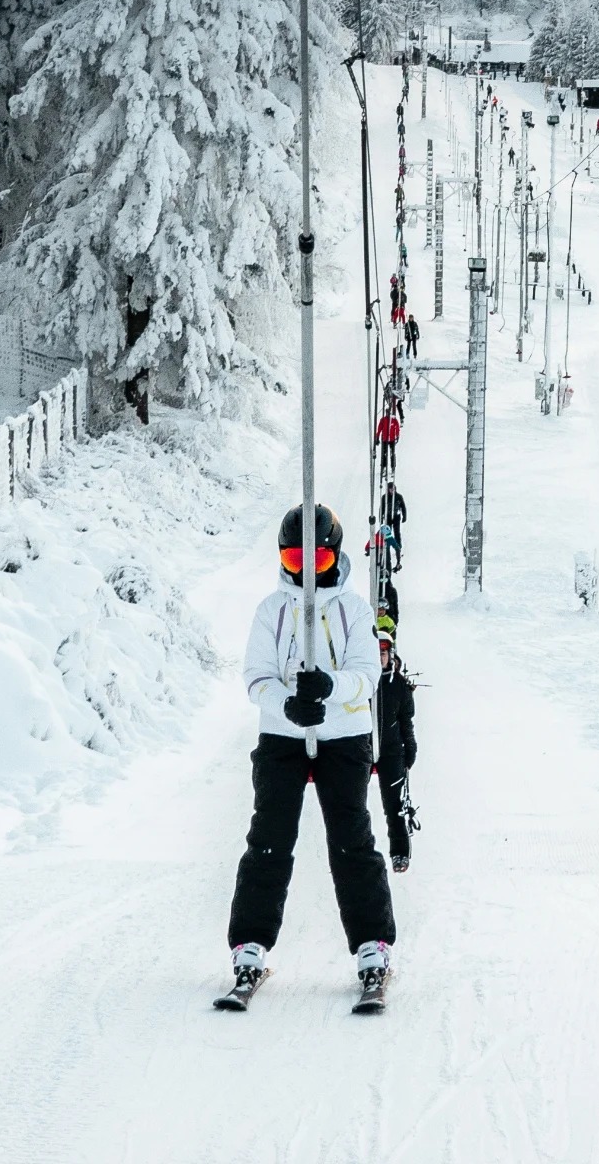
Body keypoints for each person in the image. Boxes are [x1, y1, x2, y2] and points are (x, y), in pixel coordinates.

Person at [224, 504, 394, 1004]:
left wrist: (329, 688)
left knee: (351, 840)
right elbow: (256, 678)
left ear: (334, 556)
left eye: (317, 560)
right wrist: (287, 705)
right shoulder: (271, 611)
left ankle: (372, 945)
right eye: (295, 558)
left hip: (344, 735)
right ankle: (249, 946)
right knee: (269, 839)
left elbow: (367, 675)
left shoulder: (355, 610)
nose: (306, 571)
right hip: (283, 737)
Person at [374, 614, 418, 874]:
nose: (380, 657)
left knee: (395, 806)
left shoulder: (398, 685)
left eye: (384, 652)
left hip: (391, 750)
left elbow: (406, 721)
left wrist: (409, 747)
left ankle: (400, 852)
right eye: (375, 652)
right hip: (362, 748)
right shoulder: (361, 682)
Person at [376, 402, 400, 476]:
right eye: (386, 413)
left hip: (392, 440)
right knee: (384, 454)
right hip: (385, 440)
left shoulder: (394, 420)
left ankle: (393, 468)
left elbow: (397, 428)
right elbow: (379, 429)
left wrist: (397, 436)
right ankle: (384, 467)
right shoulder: (383, 420)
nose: (387, 414)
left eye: (388, 412)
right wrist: (377, 437)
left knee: (392, 454)